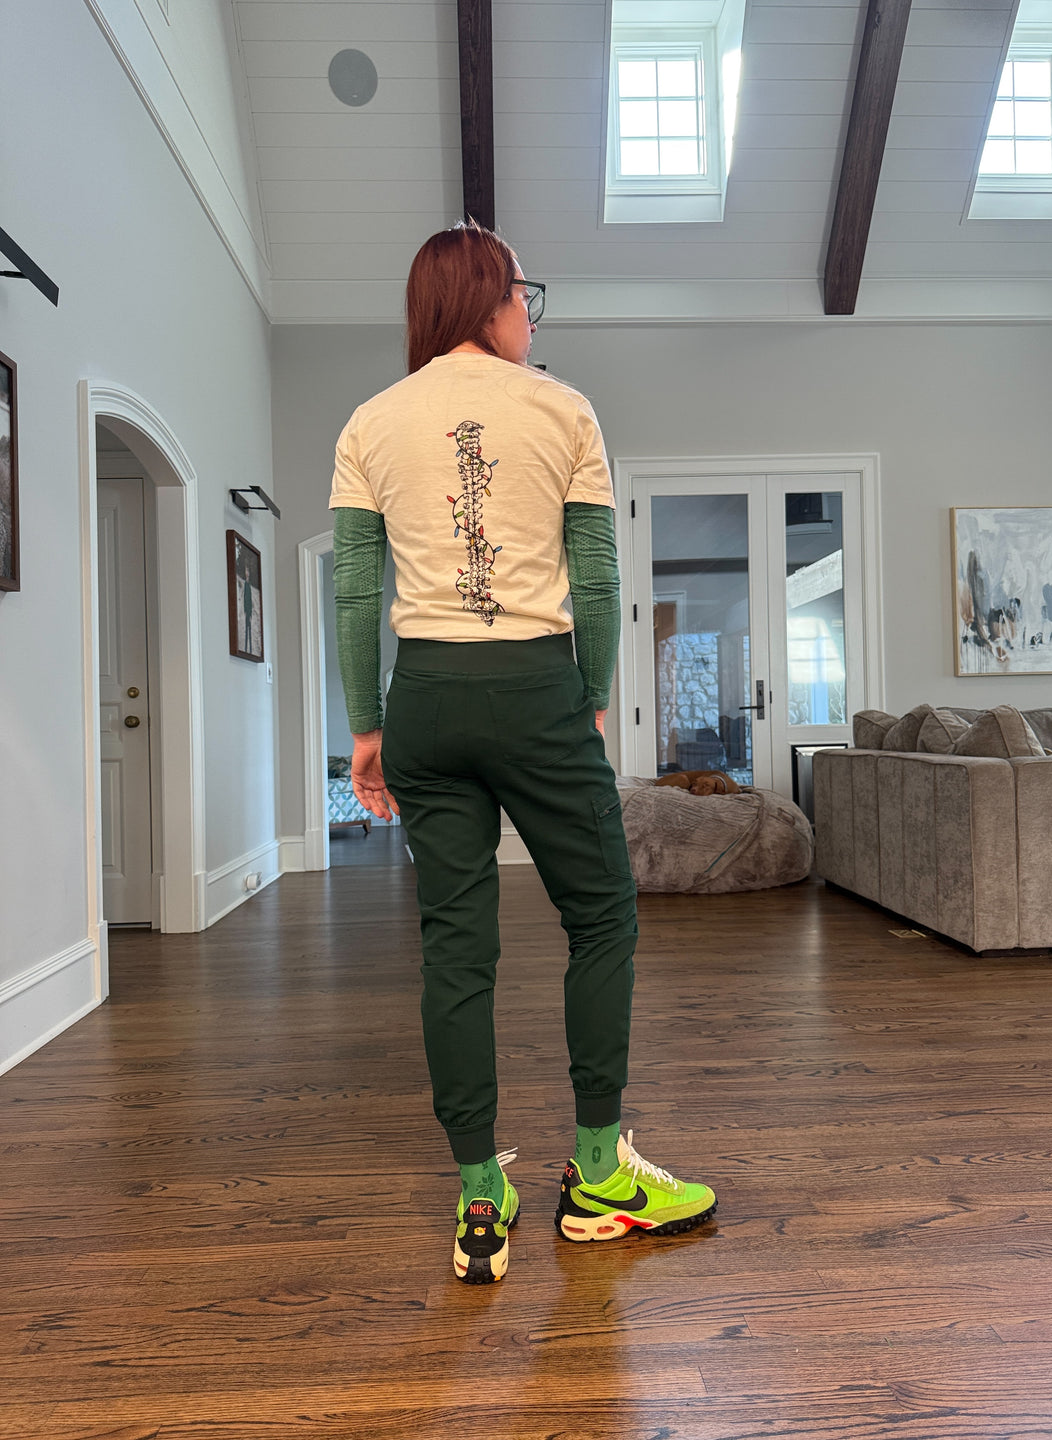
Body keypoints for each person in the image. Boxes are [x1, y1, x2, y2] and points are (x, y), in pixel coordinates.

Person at [331, 222, 715, 1284]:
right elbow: (597, 579)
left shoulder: (369, 423)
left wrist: (368, 727)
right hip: (536, 685)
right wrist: (588, 698)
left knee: (457, 946)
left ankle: (477, 1195)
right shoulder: (562, 407)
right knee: (600, 915)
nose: (529, 313)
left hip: (427, 699)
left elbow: (357, 592)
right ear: (487, 301)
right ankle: (600, 1180)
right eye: (521, 293)